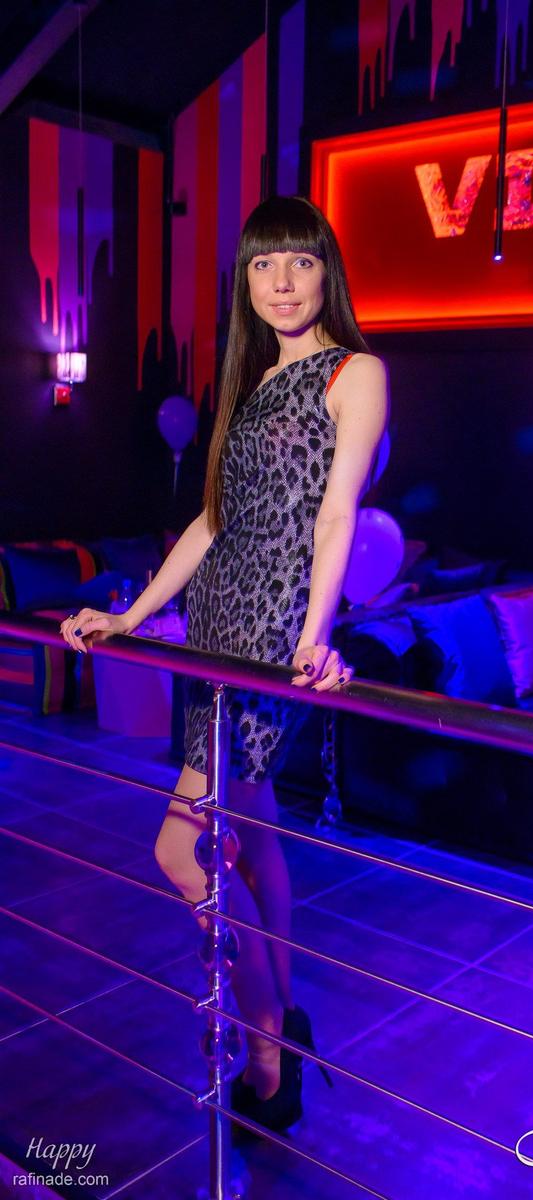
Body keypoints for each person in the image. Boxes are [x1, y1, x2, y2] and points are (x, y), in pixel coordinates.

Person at [58, 195, 389, 1135]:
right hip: (215, 624)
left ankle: (267, 1045)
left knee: (180, 849)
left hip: (272, 631)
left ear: (327, 271)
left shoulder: (355, 371)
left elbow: (337, 513)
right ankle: (285, 1016)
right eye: (262, 265)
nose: (281, 282)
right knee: (254, 831)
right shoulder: (251, 383)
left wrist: (315, 637)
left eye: (299, 261)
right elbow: (211, 521)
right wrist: (131, 616)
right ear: (243, 282)